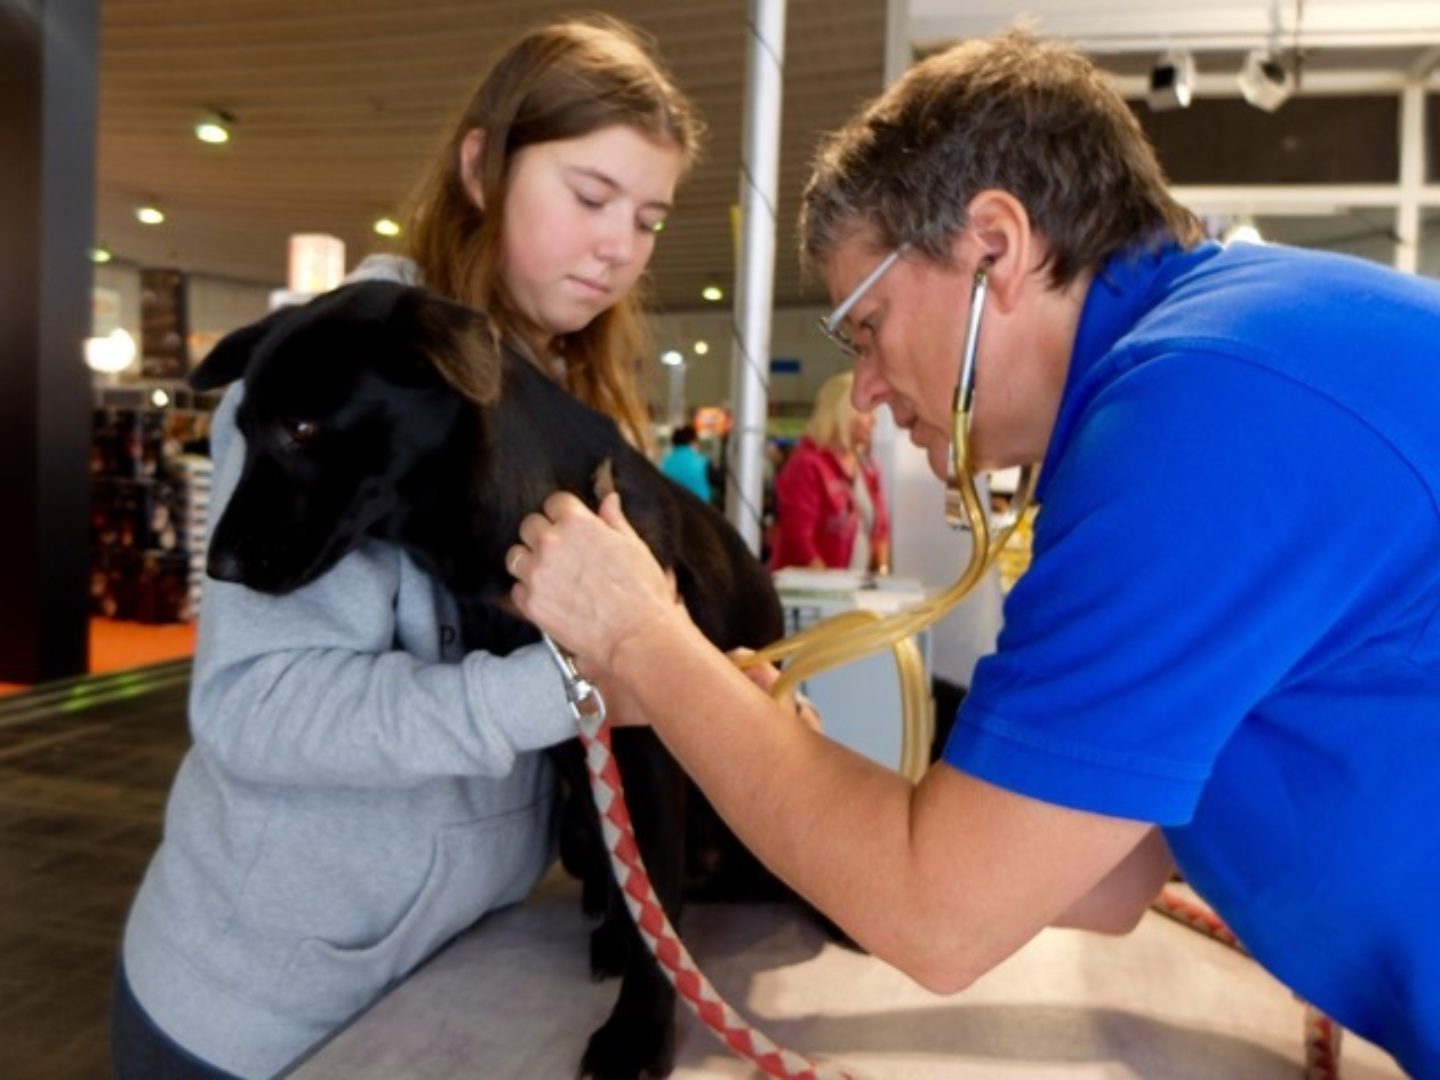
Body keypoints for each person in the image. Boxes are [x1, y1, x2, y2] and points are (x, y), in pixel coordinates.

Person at [506, 30, 1440, 1076]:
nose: (864, 389)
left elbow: (942, 917)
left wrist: (641, 637)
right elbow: (1101, 875)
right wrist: (768, 748)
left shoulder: (1197, 418)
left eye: (867, 325)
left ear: (994, 246)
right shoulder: (1229, 358)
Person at [111, 17, 701, 1079]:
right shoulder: (328, 380)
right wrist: (571, 689)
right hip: (250, 1014)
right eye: (590, 195)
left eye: (649, 217)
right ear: (483, 168)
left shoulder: (558, 412)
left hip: (435, 987)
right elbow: (251, 708)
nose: (621, 245)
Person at [770, 371, 890, 573]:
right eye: (867, 413)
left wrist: (883, 573)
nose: (873, 421)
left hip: (854, 582)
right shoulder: (807, 465)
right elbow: (799, 538)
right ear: (843, 413)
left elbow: (881, 529)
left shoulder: (867, 468)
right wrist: (829, 586)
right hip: (812, 587)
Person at [659, 423, 712, 502]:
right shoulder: (702, 462)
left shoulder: (665, 462)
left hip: (672, 507)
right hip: (698, 508)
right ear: (692, 441)